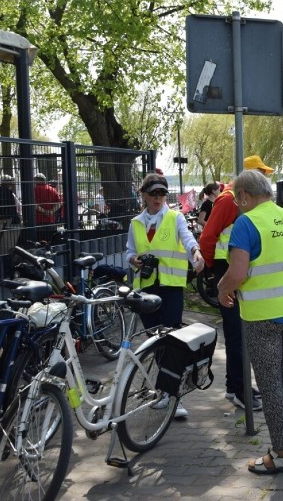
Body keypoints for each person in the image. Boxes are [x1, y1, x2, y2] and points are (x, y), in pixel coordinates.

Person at [216, 170, 283, 475]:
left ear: (243, 196)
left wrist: (222, 289)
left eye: (237, 199)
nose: (237, 205)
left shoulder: (247, 222)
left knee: (270, 385)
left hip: (263, 317)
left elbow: (238, 272)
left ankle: (281, 454)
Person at [125, 172, 205, 419]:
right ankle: (166, 391)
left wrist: (196, 252)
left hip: (170, 288)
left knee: (170, 340)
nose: (158, 198)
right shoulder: (136, 222)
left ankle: (175, 395)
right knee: (155, 342)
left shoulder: (175, 217)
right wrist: (133, 259)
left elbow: (187, 237)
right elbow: (129, 251)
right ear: (144, 196)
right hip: (146, 290)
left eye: (162, 193)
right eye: (153, 194)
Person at [199, 179, 262, 412]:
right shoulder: (229, 200)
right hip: (227, 271)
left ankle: (235, 384)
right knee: (236, 333)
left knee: (239, 332)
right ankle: (239, 389)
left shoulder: (244, 201)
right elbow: (208, 237)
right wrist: (209, 272)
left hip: (236, 270)